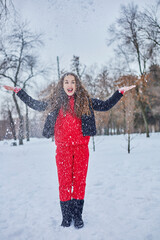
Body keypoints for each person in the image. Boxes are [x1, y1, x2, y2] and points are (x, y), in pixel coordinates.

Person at [3, 72, 135, 229]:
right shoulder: (56, 102)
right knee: (64, 183)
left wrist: (120, 92)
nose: (70, 85)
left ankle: (77, 216)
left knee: (79, 183)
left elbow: (106, 105)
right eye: (66, 82)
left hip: (81, 149)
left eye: (73, 82)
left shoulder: (86, 102)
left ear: (77, 84)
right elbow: (36, 105)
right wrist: (19, 91)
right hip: (63, 150)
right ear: (62, 85)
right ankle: (66, 216)